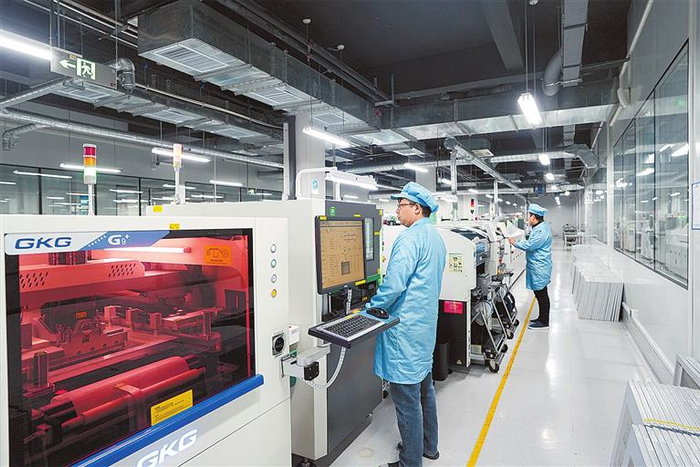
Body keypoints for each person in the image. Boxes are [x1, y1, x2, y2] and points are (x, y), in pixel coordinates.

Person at [369, 182, 446, 467]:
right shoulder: (435, 237)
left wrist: (372, 307)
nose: (397, 210)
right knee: (425, 389)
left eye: (401, 205)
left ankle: (410, 462)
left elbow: (394, 284)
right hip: (424, 328)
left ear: (416, 208)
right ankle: (428, 446)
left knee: (406, 399)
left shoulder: (409, 238)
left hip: (405, 330)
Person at [509, 203, 553, 330]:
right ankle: (541, 318)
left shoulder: (541, 230)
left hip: (540, 266)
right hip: (538, 265)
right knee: (540, 293)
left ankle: (544, 321)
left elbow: (530, 245)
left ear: (534, 217)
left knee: (541, 294)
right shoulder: (539, 228)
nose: (528, 218)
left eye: (529, 216)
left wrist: (515, 243)